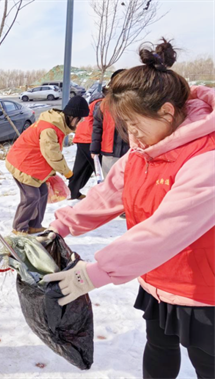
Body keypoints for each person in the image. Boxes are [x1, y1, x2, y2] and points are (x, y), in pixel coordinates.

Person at [44, 39, 215, 379]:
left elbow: (165, 230)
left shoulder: (206, 158)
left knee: (206, 361)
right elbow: (106, 195)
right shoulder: (142, 152)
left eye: (136, 125)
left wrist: (95, 272)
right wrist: (58, 227)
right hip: (157, 278)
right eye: (126, 126)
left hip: (203, 289)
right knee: (159, 347)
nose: (131, 136)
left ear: (167, 111)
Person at [6, 96, 90, 235]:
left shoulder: (57, 126)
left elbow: (47, 153)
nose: (80, 123)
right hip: (22, 164)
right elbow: (52, 154)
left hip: (33, 164)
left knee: (43, 193)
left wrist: (51, 173)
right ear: (71, 117)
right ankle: (19, 228)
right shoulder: (50, 129)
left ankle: (35, 225)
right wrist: (66, 172)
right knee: (31, 197)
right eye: (79, 119)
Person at [90, 69, 129, 178]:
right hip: (109, 152)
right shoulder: (105, 104)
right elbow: (97, 127)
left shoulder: (134, 104)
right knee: (110, 184)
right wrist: (94, 149)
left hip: (129, 152)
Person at [67, 98, 104, 199]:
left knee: (81, 167)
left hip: (82, 138)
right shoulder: (101, 104)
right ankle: (105, 196)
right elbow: (100, 123)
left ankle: (72, 192)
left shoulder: (93, 104)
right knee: (101, 169)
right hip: (90, 139)